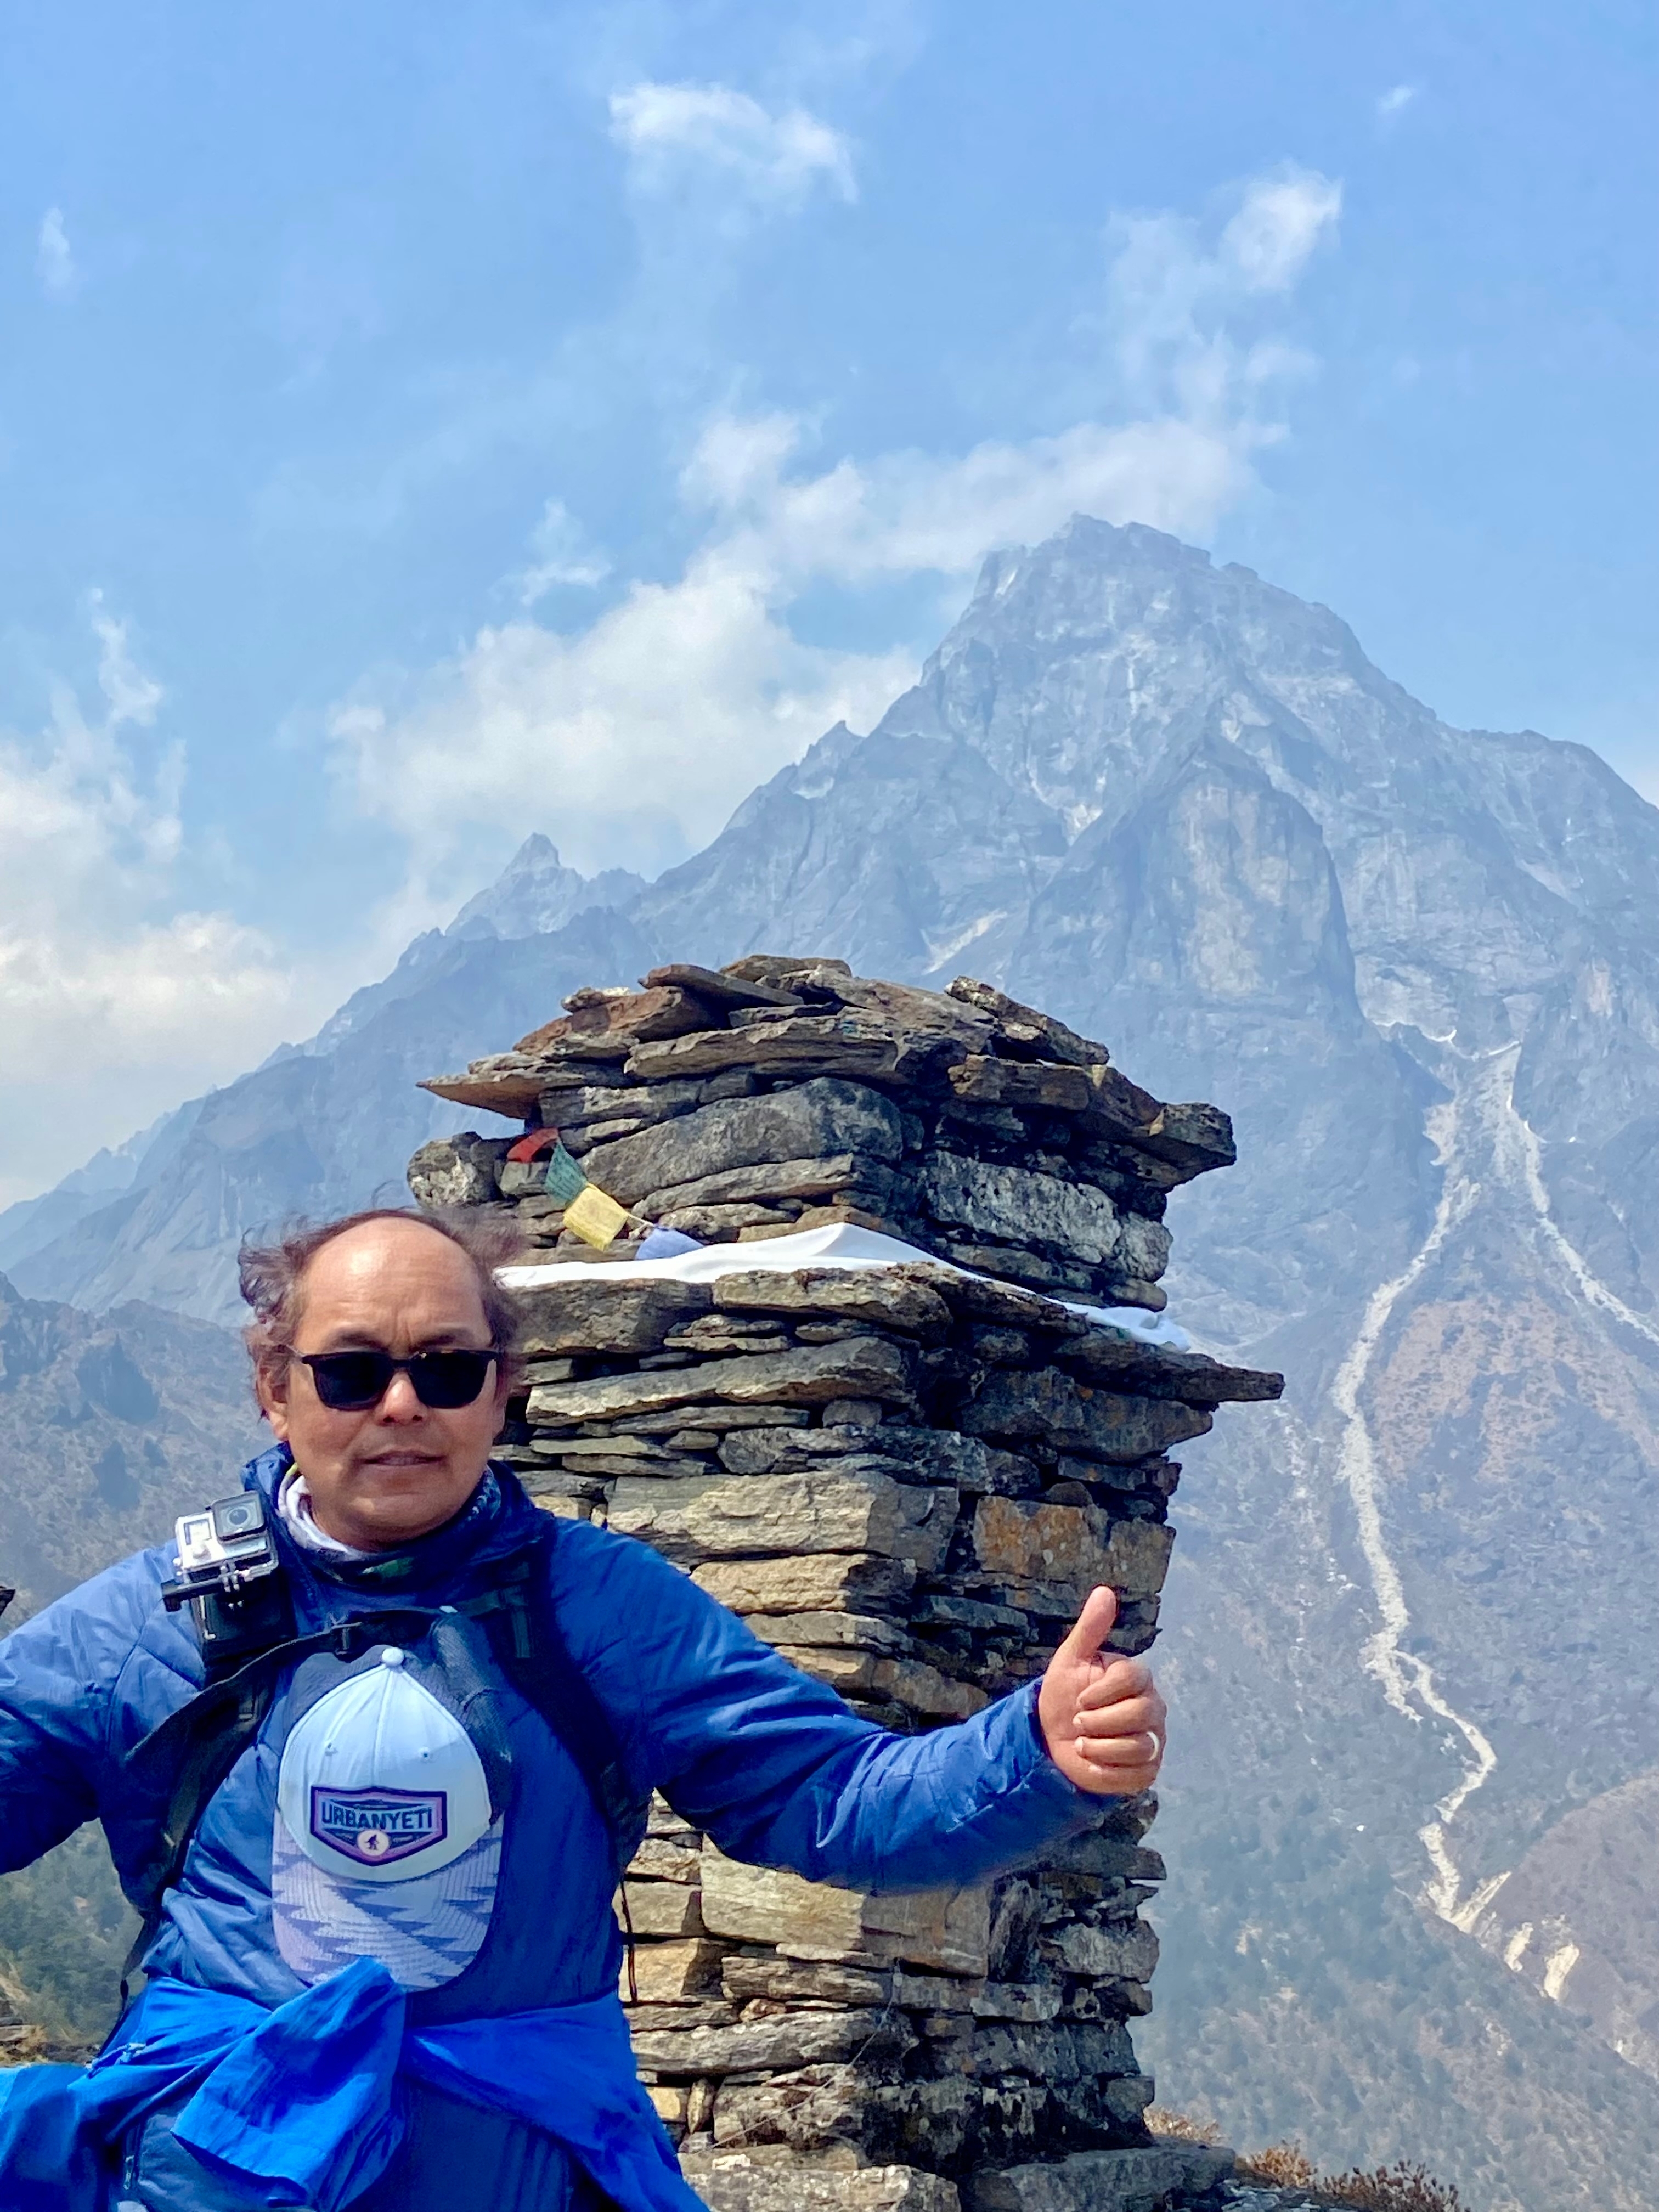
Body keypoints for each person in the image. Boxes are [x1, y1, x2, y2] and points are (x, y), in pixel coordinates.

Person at [0, 1209, 1167, 2212]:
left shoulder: (599, 1610)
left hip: (517, 2168)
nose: (401, 1406)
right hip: (217, 2169)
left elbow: (827, 1797)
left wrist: (1036, 1750)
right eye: (351, 1372)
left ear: (502, 1390)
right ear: (276, 1390)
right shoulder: (156, 1627)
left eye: (446, 1370)